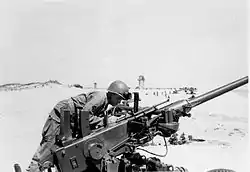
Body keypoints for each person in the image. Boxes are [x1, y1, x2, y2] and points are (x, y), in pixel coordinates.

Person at [27, 80, 131, 172]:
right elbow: (85, 115)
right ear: (112, 94)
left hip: (69, 119)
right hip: (60, 117)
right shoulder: (100, 98)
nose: (119, 101)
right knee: (48, 146)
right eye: (118, 98)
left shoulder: (105, 103)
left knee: (64, 150)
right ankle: (33, 168)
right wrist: (105, 121)